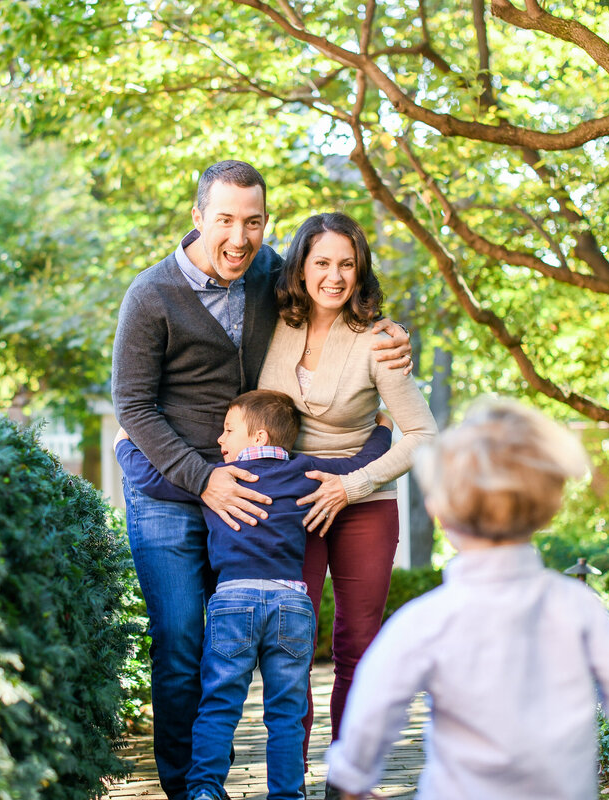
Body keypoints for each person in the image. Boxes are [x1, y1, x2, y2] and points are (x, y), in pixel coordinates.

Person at [111, 161, 411, 800]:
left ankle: (289, 784)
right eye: (224, 220)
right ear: (198, 218)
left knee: (258, 634)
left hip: (255, 491)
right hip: (172, 487)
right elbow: (132, 406)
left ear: (265, 225)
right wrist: (205, 479)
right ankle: (187, 788)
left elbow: (335, 285)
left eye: (252, 222)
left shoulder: (271, 273)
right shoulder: (151, 294)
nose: (239, 237)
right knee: (183, 640)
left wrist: (389, 335)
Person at [325, 398, 609, 800]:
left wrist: (353, 775)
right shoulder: (576, 605)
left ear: (440, 511)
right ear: (550, 507)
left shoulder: (426, 619)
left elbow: (377, 698)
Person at [115, 390, 394, 800]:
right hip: (291, 604)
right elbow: (359, 465)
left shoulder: (218, 479)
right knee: (287, 714)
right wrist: (383, 429)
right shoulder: (305, 471)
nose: (220, 440)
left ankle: (204, 789)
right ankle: (286, 795)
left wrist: (124, 445)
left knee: (219, 705)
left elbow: (153, 479)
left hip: (233, 604)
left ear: (259, 437)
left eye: (229, 430)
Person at [256, 212, 437, 778]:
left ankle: (349, 777)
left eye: (347, 264)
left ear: (360, 271)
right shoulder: (269, 323)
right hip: (292, 505)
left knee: (358, 645)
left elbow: (423, 435)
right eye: (322, 263)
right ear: (300, 268)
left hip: (365, 505)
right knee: (289, 646)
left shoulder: (380, 340)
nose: (334, 276)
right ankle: (288, 779)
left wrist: (352, 485)